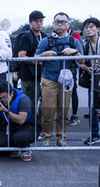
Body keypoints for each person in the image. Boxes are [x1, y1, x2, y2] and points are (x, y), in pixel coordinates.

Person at [35, 12, 84, 147]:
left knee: (63, 111)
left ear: (68, 24)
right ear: (53, 24)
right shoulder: (46, 41)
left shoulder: (74, 41)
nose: (60, 24)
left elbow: (83, 60)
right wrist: (44, 54)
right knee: (48, 110)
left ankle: (61, 137)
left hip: (67, 80)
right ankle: (46, 137)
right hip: (49, 79)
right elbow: (34, 59)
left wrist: (74, 52)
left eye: (63, 22)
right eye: (57, 22)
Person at [0, 80, 34, 162]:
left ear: (12, 93)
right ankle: (14, 147)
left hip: (27, 126)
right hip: (11, 127)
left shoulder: (23, 100)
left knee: (19, 137)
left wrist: (5, 111)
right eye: (0, 98)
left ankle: (25, 149)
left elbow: (21, 120)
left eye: (5, 97)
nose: (3, 100)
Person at [18, 10, 47, 106]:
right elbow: (21, 56)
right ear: (30, 22)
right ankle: (30, 121)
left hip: (43, 75)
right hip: (28, 77)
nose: (39, 23)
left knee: (44, 103)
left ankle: (40, 121)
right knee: (29, 104)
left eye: (41, 21)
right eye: (36, 21)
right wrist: (36, 61)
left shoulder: (44, 35)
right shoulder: (25, 36)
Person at [80, 17, 100, 144]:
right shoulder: (85, 44)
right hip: (93, 79)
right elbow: (80, 63)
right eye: (86, 27)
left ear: (98, 28)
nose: (88, 29)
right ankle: (95, 134)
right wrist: (86, 68)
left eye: (91, 26)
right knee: (92, 107)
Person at [67, 27, 82, 126]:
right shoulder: (55, 36)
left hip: (71, 67)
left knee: (73, 91)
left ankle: (74, 115)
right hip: (59, 68)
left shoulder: (74, 35)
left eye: (64, 22)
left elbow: (78, 50)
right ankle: (61, 115)